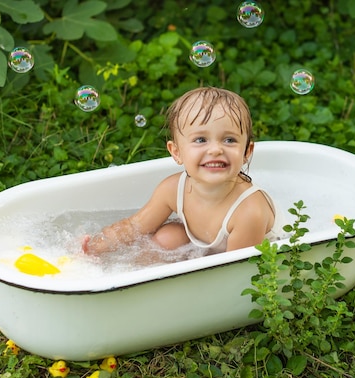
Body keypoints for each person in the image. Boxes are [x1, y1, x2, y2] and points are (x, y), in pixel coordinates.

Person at [82, 86, 284, 256]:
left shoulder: (249, 212)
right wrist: (95, 247)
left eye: (229, 140)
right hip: (205, 244)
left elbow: (237, 272)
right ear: (176, 152)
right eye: (200, 140)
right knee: (166, 237)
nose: (215, 149)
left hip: (243, 254)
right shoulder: (172, 189)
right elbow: (134, 227)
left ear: (246, 151)